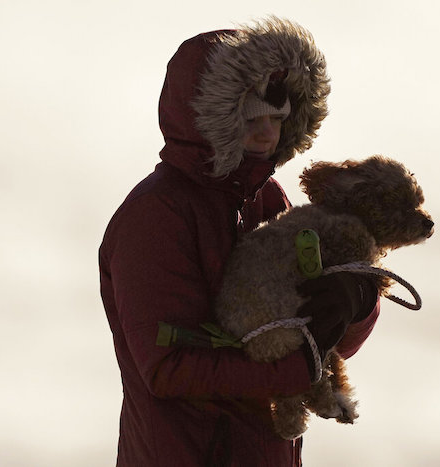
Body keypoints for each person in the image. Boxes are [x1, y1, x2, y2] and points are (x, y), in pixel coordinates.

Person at [98, 17, 380, 467]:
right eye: (251, 118)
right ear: (209, 119)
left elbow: (329, 342)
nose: (267, 133)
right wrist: (298, 369)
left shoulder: (268, 198)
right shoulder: (154, 216)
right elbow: (167, 368)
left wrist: (357, 301)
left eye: (278, 118)